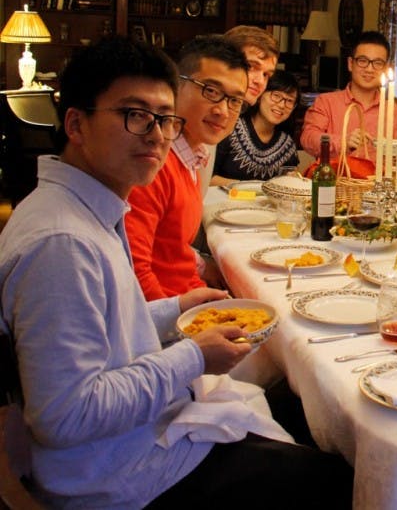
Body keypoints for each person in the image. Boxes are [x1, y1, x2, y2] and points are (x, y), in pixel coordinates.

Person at [0, 36, 352, 508]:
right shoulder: (62, 243)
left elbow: (109, 325)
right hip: (120, 468)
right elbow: (65, 417)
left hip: (137, 430)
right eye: (134, 115)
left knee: (299, 404)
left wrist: (177, 309)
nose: (157, 136)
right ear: (76, 123)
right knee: (340, 480)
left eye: (164, 119)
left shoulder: (85, 207)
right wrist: (193, 356)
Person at [125, 36, 248, 300]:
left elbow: (172, 251)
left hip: (185, 296)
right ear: (176, 86)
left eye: (235, 101)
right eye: (211, 91)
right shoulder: (152, 163)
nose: (223, 111)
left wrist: (202, 275)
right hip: (164, 311)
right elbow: (134, 272)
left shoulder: (193, 156)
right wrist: (185, 320)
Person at [299, 30, 397, 159]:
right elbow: (308, 138)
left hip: (378, 173)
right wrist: (342, 142)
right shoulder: (326, 102)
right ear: (350, 64)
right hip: (335, 172)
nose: (369, 69)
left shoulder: (393, 110)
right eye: (363, 61)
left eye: (378, 63)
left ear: (386, 68)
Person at [211, 69, 301, 186]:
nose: (282, 105)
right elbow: (206, 177)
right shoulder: (231, 128)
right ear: (260, 95)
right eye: (276, 96)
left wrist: (293, 180)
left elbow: (291, 182)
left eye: (289, 101)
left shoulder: (287, 145)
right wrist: (249, 187)